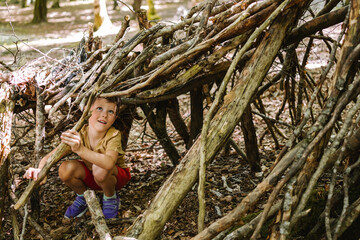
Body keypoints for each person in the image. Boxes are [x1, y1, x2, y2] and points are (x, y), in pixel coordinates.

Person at [24, 97, 131, 219]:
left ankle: (110, 197)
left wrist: (80, 149)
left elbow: (108, 164)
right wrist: (41, 168)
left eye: (110, 111)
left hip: (115, 178)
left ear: (115, 118)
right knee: (65, 168)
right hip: (92, 177)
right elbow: (53, 155)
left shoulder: (113, 134)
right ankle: (84, 197)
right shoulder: (80, 132)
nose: (104, 115)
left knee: (99, 167)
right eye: (99, 108)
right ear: (87, 110)